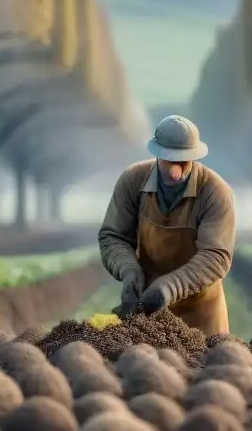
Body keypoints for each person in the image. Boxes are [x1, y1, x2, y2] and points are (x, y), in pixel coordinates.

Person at [98, 115, 236, 335]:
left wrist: (169, 288)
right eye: (170, 160)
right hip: (146, 308)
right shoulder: (133, 180)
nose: (176, 170)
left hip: (200, 313)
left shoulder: (215, 192)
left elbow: (216, 256)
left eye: (184, 161)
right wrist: (129, 272)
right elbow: (113, 236)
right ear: (157, 154)